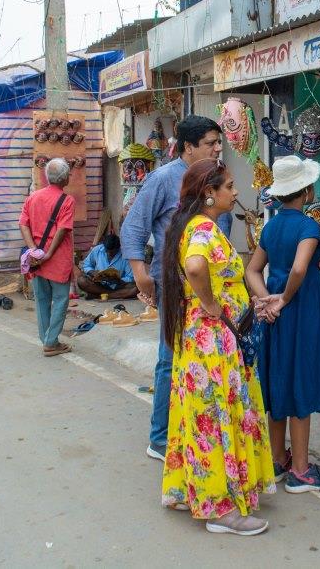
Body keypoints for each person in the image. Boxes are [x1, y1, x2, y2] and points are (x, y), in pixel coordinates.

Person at [160, 158, 275, 535]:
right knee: (217, 417)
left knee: (201, 415)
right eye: (229, 186)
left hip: (205, 339)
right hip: (212, 344)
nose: (236, 191)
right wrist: (211, 304)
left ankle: (189, 489)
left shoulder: (192, 225)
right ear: (209, 193)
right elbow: (195, 268)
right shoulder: (203, 230)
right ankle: (222, 510)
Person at [121, 115, 233, 462]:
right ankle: (160, 438)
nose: (218, 148)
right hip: (175, 285)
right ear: (188, 147)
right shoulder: (163, 179)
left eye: (219, 142)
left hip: (212, 288)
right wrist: (141, 275)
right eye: (211, 143)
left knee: (205, 360)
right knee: (172, 357)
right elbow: (133, 228)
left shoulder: (217, 180)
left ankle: (197, 432)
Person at [245, 156, 320, 493]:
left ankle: (277, 460)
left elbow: (252, 270)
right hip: (301, 310)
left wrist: (265, 300)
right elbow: (300, 269)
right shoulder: (308, 226)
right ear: (307, 190)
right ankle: (301, 470)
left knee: (279, 378)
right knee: (301, 378)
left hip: (275, 314)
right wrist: (283, 299)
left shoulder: (270, 227)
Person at [19, 158, 75, 357]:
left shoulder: (32, 197)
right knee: (60, 300)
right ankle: (51, 342)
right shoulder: (67, 200)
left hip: (36, 259)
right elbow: (62, 229)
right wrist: (50, 253)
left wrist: (34, 249)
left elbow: (23, 224)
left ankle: (46, 339)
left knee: (42, 300)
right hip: (57, 259)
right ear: (65, 178)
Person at [77, 233, 138, 299]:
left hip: (118, 286)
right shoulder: (97, 250)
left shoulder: (125, 255)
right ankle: (111, 295)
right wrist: (93, 272)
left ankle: (98, 295)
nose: (109, 254)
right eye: (107, 251)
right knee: (81, 281)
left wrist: (119, 280)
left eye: (113, 252)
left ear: (119, 248)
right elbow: (86, 265)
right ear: (104, 246)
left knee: (136, 289)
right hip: (99, 285)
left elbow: (130, 277)